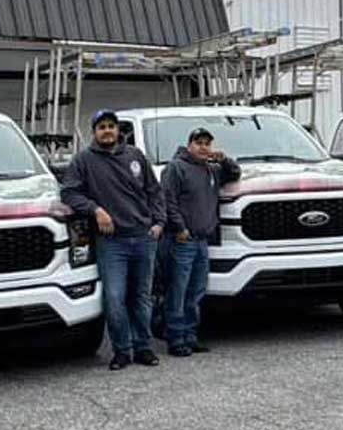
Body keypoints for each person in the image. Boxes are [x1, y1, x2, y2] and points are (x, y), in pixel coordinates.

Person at [61, 109, 165, 370]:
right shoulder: (83, 161)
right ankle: (122, 350)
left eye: (111, 126)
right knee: (114, 297)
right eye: (101, 126)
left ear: (119, 130)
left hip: (143, 237)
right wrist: (96, 210)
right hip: (111, 242)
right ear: (94, 132)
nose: (107, 130)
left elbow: (154, 191)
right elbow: (69, 193)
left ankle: (143, 347)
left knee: (141, 297)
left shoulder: (135, 156)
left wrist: (159, 222)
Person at [158, 126, 241, 357]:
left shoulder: (211, 170)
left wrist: (225, 160)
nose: (204, 147)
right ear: (189, 145)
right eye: (199, 143)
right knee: (178, 291)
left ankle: (191, 336)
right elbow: (168, 201)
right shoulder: (175, 168)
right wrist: (179, 228)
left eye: (207, 143)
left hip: (202, 241)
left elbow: (234, 173)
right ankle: (175, 339)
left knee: (196, 291)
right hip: (181, 240)